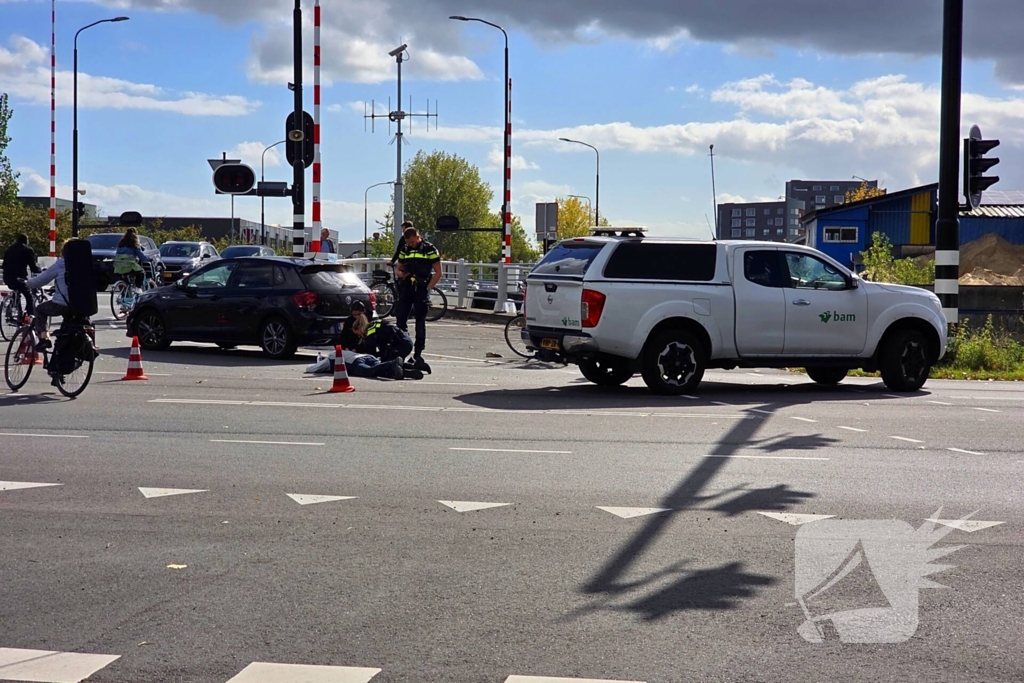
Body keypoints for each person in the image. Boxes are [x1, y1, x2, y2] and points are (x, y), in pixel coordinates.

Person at [392, 225, 440, 373]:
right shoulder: (405, 249)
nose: (411, 245)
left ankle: (418, 353)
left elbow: (438, 272)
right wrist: (401, 274)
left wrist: (427, 288)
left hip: (421, 287)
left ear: (418, 237)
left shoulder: (429, 249)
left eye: (413, 242)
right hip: (407, 287)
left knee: (420, 322)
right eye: (409, 242)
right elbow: (398, 268)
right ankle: (403, 348)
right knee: (401, 318)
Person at [25, 240, 72, 354]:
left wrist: (27, 283)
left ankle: (44, 338)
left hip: (62, 304)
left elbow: (40, 280)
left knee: (39, 310)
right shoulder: (87, 263)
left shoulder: (61, 264)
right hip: (82, 305)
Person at [3, 234, 42, 317]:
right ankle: (30, 316)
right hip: (19, 278)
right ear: (26, 241)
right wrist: (40, 270)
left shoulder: (10, 249)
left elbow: (3, 265)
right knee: (29, 296)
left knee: (16, 291)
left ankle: (12, 310)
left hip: (7, 278)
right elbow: (33, 268)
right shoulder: (28, 250)